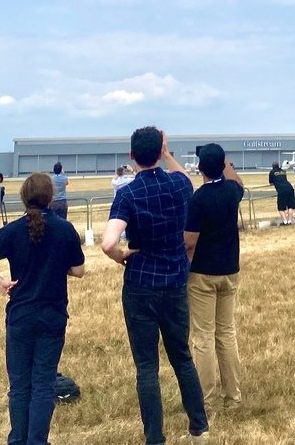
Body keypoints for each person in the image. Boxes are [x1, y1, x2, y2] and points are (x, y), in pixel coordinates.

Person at [100, 127, 208, 444]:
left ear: (132, 157)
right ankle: (199, 428)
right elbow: (183, 176)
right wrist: (167, 150)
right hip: (174, 280)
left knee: (147, 367)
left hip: (140, 283)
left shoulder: (128, 194)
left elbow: (107, 243)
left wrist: (121, 256)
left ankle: (154, 437)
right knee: (182, 358)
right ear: (161, 152)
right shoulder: (179, 184)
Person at [0, 172, 86, 445]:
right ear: (51, 197)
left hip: (20, 315)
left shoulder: (13, 230)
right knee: (44, 383)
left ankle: (17, 439)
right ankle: (37, 440)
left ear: (23, 198)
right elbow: (79, 270)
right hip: (52, 314)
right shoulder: (64, 229)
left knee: (20, 386)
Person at [184, 143, 245, 410]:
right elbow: (237, 181)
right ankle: (233, 396)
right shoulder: (232, 192)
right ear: (223, 166)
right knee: (226, 333)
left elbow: (189, 241)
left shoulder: (198, 200)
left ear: (199, 169)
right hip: (230, 270)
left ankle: (206, 400)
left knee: (203, 336)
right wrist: (227, 164)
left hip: (203, 274)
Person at [268, 161, 295, 225]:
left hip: (281, 190)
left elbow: (271, 182)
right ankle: (289, 221)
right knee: (291, 206)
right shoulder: (283, 171)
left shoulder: (272, 172)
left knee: (281, 207)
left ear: (272, 166)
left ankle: (285, 221)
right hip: (289, 188)